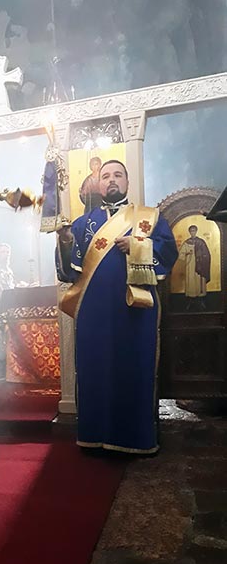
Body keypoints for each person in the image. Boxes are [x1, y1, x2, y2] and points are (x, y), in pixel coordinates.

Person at [58, 160, 178, 454]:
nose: (112, 180)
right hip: (94, 312)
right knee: (95, 369)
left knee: (134, 370)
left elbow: (168, 253)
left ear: (127, 182)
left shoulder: (149, 217)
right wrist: (65, 242)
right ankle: (94, 437)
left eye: (118, 175)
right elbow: (70, 272)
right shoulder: (82, 224)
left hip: (134, 310)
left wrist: (138, 245)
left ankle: (133, 439)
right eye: (106, 176)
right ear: (98, 184)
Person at [178, 224, 211, 310]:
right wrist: (187, 253)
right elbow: (181, 255)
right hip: (190, 266)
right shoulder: (187, 242)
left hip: (200, 266)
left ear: (196, 231)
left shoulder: (201, 242)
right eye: (191, 231)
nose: (192, 232)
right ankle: (190, 300)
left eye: (194, 231)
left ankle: (201, 300)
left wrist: (201, 256)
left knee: (199, 282)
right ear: (189, 232)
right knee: (191, 281)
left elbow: (207, 254)